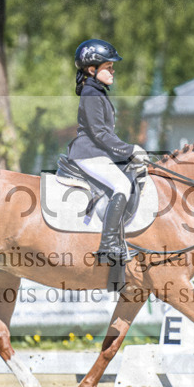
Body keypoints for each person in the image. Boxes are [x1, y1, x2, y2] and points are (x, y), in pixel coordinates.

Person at [67, 39, 147, 265]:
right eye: (108, 67)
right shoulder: (91, 94)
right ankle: (109, 245)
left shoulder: (97, 91)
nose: (113, 71)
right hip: (87, 152)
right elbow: (100, 134)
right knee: (121, 185)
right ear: (92, 70)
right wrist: (130, 150)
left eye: (113, 67)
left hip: (95, 152)